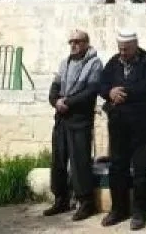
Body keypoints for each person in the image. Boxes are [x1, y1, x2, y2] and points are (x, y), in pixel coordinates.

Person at [98, 30, 146, 231]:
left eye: (126, 49)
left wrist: (120, 92)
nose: (122, 53)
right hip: (118, 124)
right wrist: (109, 92)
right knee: (117, 167)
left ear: (135, 46)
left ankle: (140, 211)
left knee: (141, 168)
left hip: (143, 124)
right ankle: (118, 209)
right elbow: (101, 84)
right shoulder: (113, 62)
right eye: (120, 49)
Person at [44, 29, 102, 220]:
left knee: (79, 162)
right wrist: (55, 101)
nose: (74, 45)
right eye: (71, 42)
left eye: (78, 41)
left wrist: (67, 102)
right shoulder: (65, 63)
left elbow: (91, 90)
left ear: (86, 43)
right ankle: (61, 199)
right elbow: (55, 86)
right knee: (58, 161)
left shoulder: (94, 63)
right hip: (61, 118)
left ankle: (86, 202)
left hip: (80, 119)